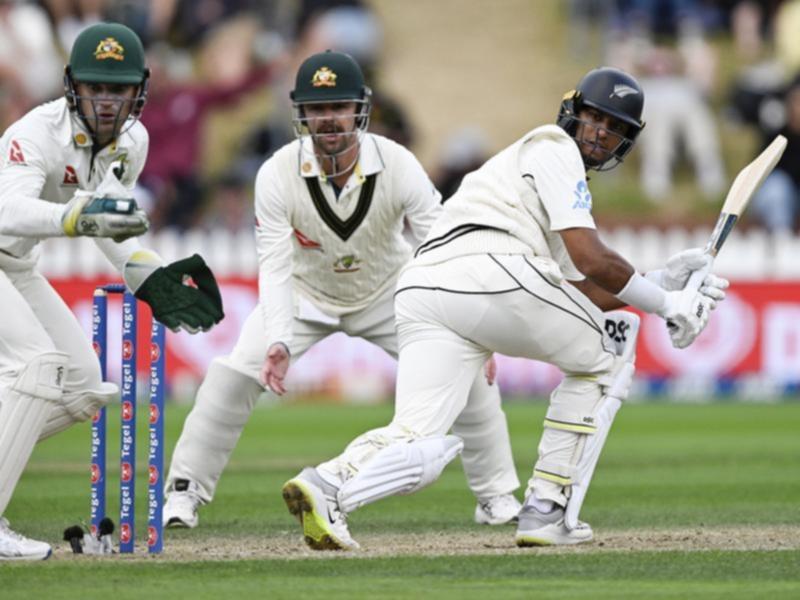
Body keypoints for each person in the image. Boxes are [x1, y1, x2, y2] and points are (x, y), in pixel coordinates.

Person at [281, 66, 730, 551]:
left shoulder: (541, 175)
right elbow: (589, 256)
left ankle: (329, 484)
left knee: (417, 436)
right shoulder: (555, 149)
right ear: (572, 115)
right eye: (594, 118)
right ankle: (546, 508)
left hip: (426, 286)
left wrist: (662, 278)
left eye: (615, 126)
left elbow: (583, 289)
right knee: (613, 346)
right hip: (490, 269)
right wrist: (668, 305)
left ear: (626, 139)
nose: (601, 133)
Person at [161, 50, 522, 532]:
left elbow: (442, 243)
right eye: (316, 108)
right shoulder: (276, 172)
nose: (328, 118)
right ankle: (184, 494)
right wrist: (280, 339)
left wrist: (471, 323)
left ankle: (496, 496)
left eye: (339, 107)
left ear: (359, 110)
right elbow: (274, 262)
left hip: (391, 293)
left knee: (471, 377)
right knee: (232, 375)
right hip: (305, 292)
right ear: (302, 114)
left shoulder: (398, 163)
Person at [0, 22, 224, 561]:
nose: (106, 100)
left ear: (138, 90)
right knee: (37, 366)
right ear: (72, 86)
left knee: (80, 388)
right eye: (95, 87)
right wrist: (79, 216)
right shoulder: (35, 134)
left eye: (117, 88)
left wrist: (152, 279)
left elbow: (113, 225)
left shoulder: (134, 142)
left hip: (15, 264)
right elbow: (7, 209)